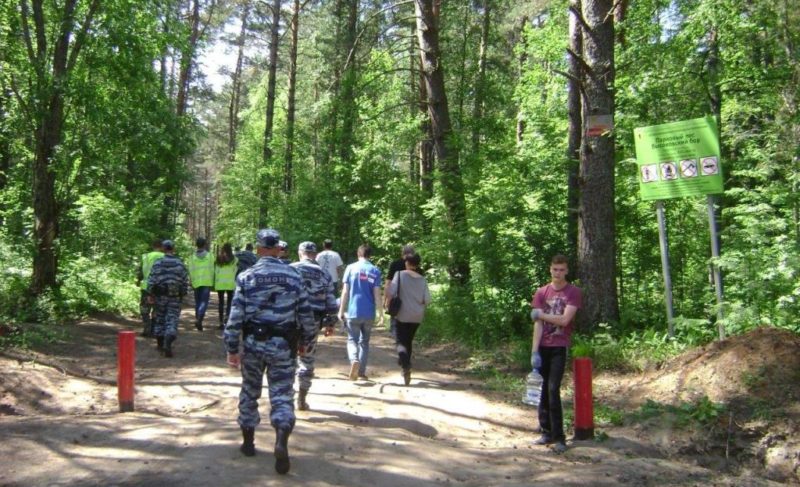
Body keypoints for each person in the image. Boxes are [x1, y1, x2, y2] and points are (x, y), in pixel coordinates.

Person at [224, 228, 316, 475]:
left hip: (254, 345)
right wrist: (307, 341)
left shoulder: (246, 276)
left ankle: (248, 443)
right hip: (284, 347)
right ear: (277, 249)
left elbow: (235, 317)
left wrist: (232, 347)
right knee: (283, 395)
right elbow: (306, 313)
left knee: (250, 391)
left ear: (258, 248)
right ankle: (281, 440)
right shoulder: (294, 276)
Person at [530, 254, 582, 454]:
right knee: (542, 389)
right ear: (550, 269)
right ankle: (546, 432)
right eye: (555, 269)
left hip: (559, 346)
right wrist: (534, 351)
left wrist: (540, 314)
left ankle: (560, 436)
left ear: (567, 271)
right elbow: (538, 325)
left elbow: (564, 320)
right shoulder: (542, 292)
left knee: (553, 389)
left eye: (561, 270)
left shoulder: (573, 292)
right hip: (543, 346)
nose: (558, 273)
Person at [290, 241, 338, 410]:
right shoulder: (324, 274)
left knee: (287, 358)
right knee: (306, 358)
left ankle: (286, 396)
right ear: (315, 254)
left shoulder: (290, 269)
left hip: (289, 321)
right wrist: (330, 323)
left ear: (300, 252)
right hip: (312, 322)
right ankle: (302, 398)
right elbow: (331, 302)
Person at [338, 244, 383, 381]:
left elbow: (345, 291)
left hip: (353, 311)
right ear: (370, 255)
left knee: (352, 340)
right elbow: (377, 294)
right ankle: (361, 372)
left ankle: (354, 361)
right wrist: (380, 312)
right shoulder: (375, 270)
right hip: (369, 313)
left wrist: (341, 310)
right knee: (364, 342)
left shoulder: (351, 268)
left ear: (358, 254)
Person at [385, 253, 430, 385]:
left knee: (400, 341)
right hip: (417, 315)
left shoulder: (399, 275)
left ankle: (406, 365)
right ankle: (406, 365)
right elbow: (427, 300)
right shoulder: (422, 279)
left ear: (407, 263)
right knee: (408, 340)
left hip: (402, 314)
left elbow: (391, 292)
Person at [147, 240, 189, 358]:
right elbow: (184, 281)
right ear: (173, 249)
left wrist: (150, 294)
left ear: (163, 249)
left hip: (160, 295)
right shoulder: (180, 264)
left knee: (160, 318)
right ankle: (169, 339)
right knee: (172, 318)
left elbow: (152, 279)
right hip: (174, 296)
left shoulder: (158, 263)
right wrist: (183, 293)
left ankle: (160, 344)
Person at [384, 244, 416, 339]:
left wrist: (386, 299)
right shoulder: (416, 266)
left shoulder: (395, 264)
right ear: (413, 253)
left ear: (402, 253)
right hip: (411, 297)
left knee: (395, 320)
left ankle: (397, 339)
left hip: (396, 296)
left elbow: (388, 283)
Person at [136, 239, 164, 338]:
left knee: (144, 309)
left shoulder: (145, 256)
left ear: (153, 246)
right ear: (161, 247)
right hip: (160, 287)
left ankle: (147, 328)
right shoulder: (164, 257)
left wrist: (138, 280)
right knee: (157, 309)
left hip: (146, 287)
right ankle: (154, 329)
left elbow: (140, 271)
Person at [188, 237, 214, 331]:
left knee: (198, 302)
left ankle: (198, 319)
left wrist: (190, 281)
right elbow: (213, 269)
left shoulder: (191, 257)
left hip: (196, 282)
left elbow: (190, 270)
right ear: (204, 245)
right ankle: (199, 319)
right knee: (204, 302)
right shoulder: (210, 256)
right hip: (206, 282)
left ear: (196, 245)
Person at [214, 243, 238, 329]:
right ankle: (227, 319)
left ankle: (220, 322)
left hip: (220, 283)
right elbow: (235, 271)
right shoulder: (235, 259)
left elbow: (216, 271)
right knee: (229, 302)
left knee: (221, 303)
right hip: (230, 283)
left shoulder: (218, 259)